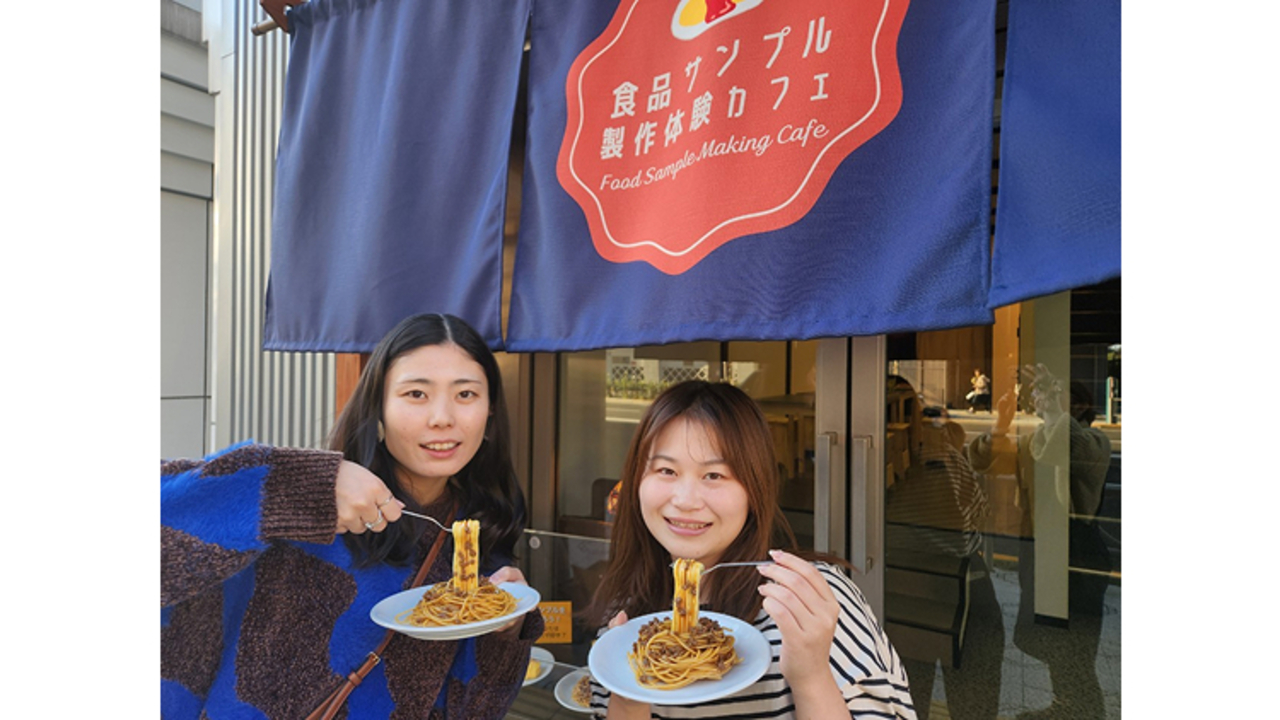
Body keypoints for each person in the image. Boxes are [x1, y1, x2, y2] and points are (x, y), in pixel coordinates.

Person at [161, 313, 544, 719]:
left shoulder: (479, 539)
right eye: (416, 394)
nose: (442, 417)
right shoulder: (309, 506)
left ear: (489, 414)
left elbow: (475, 711)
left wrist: (506, 631)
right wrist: (300, 485)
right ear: (378, 406)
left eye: (465, 395)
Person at [584, 380, 916, 719]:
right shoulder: (626, 620)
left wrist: (811, 676)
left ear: (754, 490)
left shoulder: (808, 602)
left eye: (714, 475)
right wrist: (627, 697)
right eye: (666, 470)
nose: (684, 500)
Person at [966, 364, 1114, 719]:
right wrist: (1000, 426)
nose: (1037, 399)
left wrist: (1054, 409)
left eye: (1046, 395)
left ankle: (1085, 708)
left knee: (1075, 648)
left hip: (1077, 555)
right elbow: (985, 461)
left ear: (1074, 406)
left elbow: (1067, 448)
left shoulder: (1096, 443)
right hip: (1040, 551)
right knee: (1048, 636)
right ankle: (1065, 703)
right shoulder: (1035, 440)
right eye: (1038, 395)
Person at [884, 376, 1002, 720]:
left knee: (907, 700)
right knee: (973, 701)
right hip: (960, 581)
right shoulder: (938, 454)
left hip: (902, 587)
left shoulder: (884, 467)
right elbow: (976, 514)